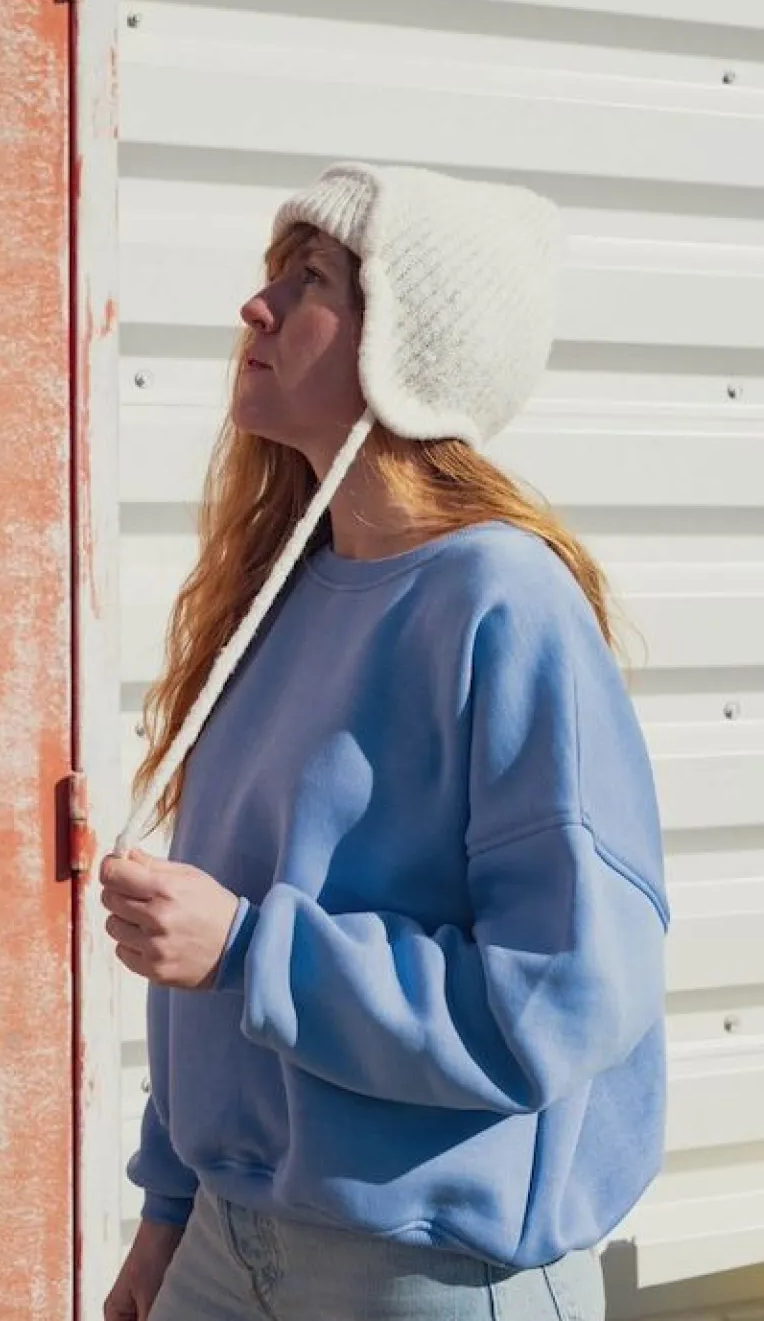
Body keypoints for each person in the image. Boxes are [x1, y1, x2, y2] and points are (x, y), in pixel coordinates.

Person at [101, 162, 668, 1321]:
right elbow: (217, 950)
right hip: (227, 1240)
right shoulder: (280, 594)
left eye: (310, 279)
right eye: (272, 273)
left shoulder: (503, 604)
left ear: (413, 340)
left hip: (426, 1272)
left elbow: (560, 994)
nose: (256, 307)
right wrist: (169, 1209)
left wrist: (250, 947)